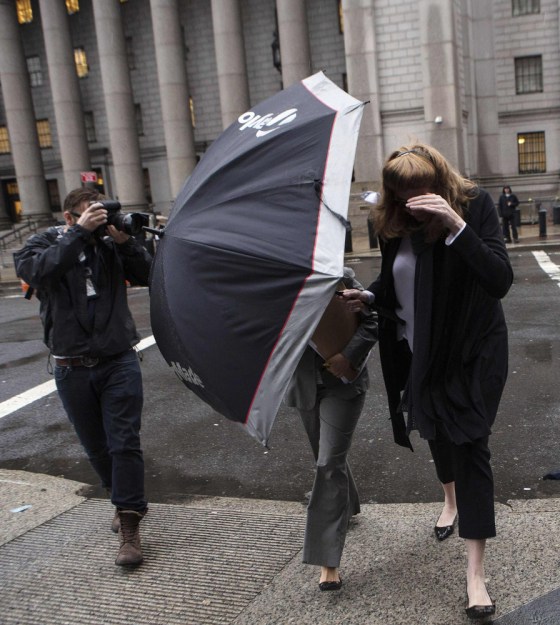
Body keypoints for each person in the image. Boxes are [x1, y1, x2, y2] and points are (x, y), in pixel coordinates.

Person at [340, 143, 513, 620]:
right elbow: (396, 283)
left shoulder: (473, 207)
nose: (418, 201)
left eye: (425, 191)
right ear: (394, 196)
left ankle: (476, 577)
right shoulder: (394, 224)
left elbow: (499, 278)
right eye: (406, 194)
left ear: (440, 180)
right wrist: (367, 296)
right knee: (436, 431)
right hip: (422, 354)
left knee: (471, 444)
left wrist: (456, 226)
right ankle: (449, 500)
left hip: (472, 354)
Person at [14, 188, 152, 567]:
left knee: (124, 442)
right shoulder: (46, 241)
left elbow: (151, 274)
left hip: (118, 359)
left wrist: (126, 244)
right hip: (70, 365)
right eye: (90, 213)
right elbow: (34, 271)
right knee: (96, 447)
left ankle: (129, 522)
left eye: (102, 214)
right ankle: (119, 495)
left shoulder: (110, 245)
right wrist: (77, 235)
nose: (99, 221)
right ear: (69, 216)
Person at [284, 268, 378, 591]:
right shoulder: (277, 285)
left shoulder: (341, 277)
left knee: (327, 463)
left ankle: (328, 562)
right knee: (325, 456)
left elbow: (374, 319)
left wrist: (348, 355)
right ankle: (346, 503)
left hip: (343, 383)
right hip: (305, 385)